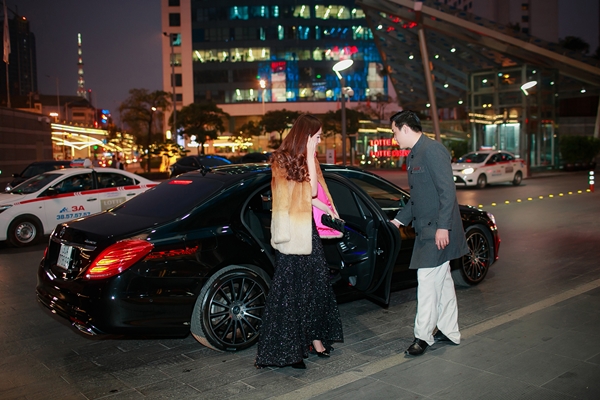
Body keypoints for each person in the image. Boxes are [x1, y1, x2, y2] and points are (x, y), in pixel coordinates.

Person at [254, 113, 343, 370]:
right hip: (291, 232)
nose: (319, 141)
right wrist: (310, 155)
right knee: (288, 292)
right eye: (317, 137)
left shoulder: (308, 159)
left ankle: (315, 340)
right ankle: (287, 350)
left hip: (308, 230)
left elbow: (312, 197)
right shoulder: (281, 160)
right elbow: (309, 190)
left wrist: (329, 212)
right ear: (306, 135)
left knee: (316, 286)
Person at [389, 110, 468, 356]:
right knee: (442, 283)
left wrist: (443, 226)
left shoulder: (432, 150)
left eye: (394, 132)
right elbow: (417, 198)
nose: (394, 138)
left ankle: (422, 337)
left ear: (405, 128)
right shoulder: (414, 154)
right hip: (428, 230)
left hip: (437, 231)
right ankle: (449, 330)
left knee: (426, 282)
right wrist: (397, 221)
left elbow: (447, 191)